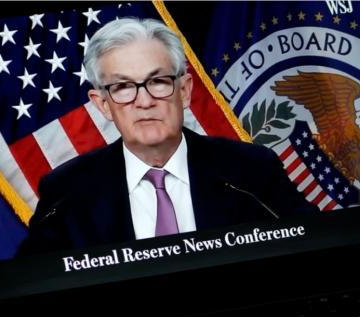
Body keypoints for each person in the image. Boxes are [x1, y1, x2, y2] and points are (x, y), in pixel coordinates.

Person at [17, 18, 317, 256]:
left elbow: (318, 244)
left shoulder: (251, 170)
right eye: (123, 87)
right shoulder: (67, 190)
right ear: (103, 104)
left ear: (184, 91)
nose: (144, 101)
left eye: (158, 81)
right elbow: (32, 283)